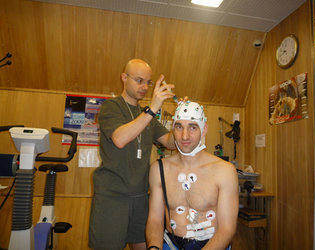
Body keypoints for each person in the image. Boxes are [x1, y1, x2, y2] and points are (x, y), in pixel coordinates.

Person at [89, 59, 176, 250]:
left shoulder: (146, 116)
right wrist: (153, 109)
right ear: (124, 78)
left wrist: (183, 119)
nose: (144, 87)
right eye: (139, 80)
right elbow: (120, 139)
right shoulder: (111, 107)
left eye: (148, 82)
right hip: (112, 198)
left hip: (141, 197)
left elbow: (170, 142)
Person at [146, 101, 239, 250]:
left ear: (204, 129)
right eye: (179, 127)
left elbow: (226, 229)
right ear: (173, 129)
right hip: (171, 244)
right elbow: (155, 220)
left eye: (192, 127)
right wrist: (154, 248)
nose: (184, 136)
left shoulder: (224, 171)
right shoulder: (159, 169)